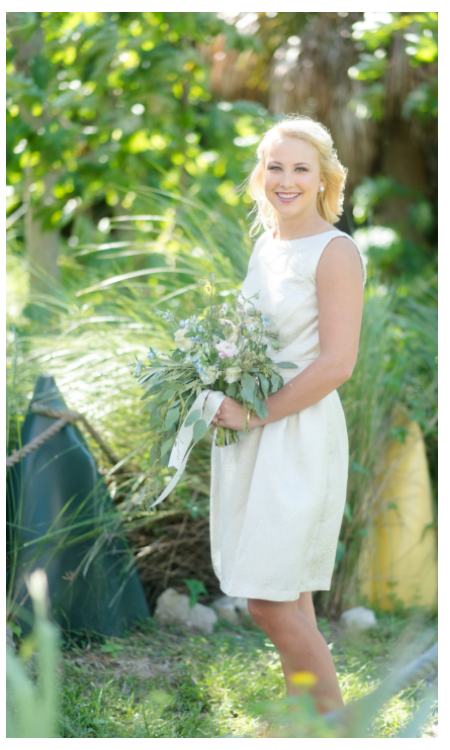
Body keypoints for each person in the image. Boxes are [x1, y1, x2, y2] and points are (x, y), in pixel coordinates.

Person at [210, 114, 366, 717]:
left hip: (296, 434)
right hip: (256, 429)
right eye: (276, 166)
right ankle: (305, 719)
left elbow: (336, 364)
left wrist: (255, 415)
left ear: (324, 178)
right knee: (290, 595)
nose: (286, 180)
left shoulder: (335, 253)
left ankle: (335, 723)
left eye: (300, 168)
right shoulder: (267, 245)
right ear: (261, 174)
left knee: (267, 602)